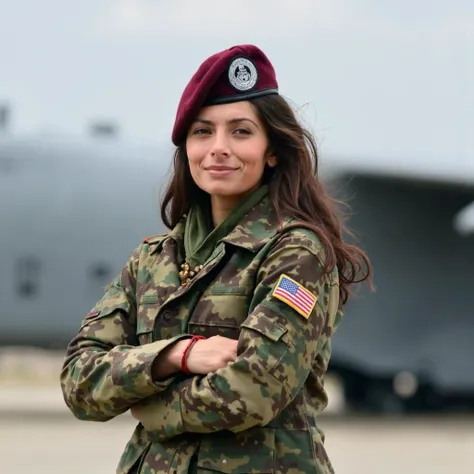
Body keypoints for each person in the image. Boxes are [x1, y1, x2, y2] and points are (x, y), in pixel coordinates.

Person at [60, 44, 372, 474]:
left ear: (273, 149)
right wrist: (175, 356)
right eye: (202, 131)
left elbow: (255, 388)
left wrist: (152, 409)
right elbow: (79, 379)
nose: (218, 148)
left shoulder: (295, 253)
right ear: (186, 147)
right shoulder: (153, 259)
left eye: (241, 132)